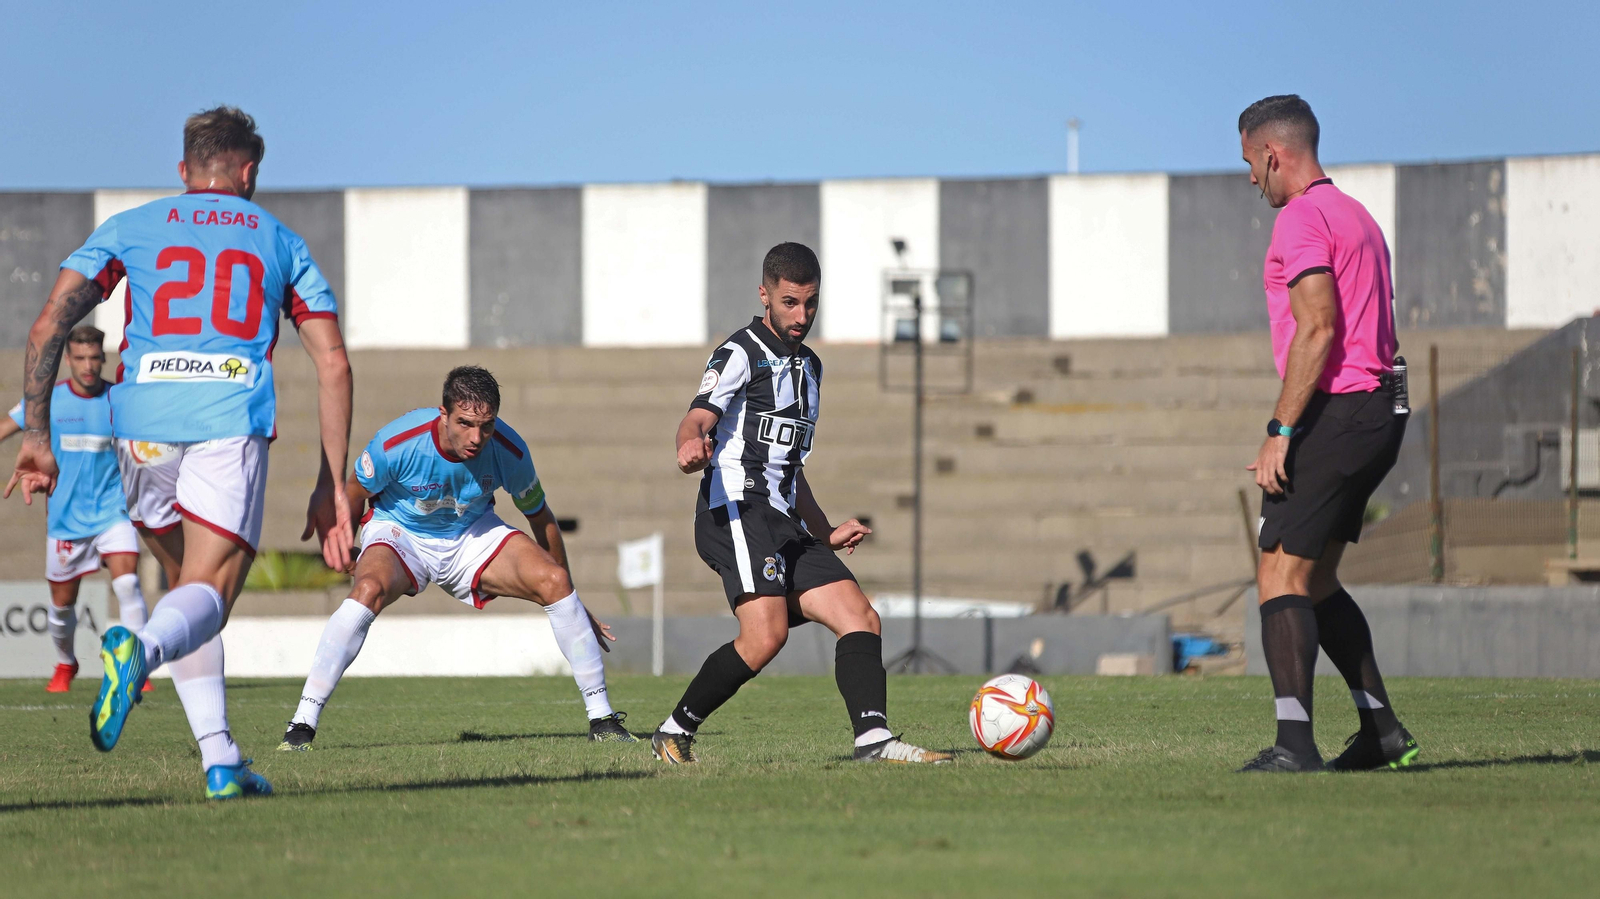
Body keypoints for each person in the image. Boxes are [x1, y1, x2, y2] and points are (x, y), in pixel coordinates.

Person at [8, 106, 353, 800]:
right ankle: (139, 651)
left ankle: (220, 758)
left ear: (183, 170)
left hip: (139, 425)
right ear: (249, 170)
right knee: (209, 592)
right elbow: (334, 364)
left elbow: (48, 325)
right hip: (226, 418)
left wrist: (37, 438)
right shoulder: (280, 240)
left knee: (188, 590)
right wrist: (331, 482)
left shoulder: (130, 227)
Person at [651, 242, 951, 765]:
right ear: (764, 295)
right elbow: (699, 415)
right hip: (735, 510)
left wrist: (825, 529)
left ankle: (873, 742)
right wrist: (688, 445)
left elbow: (792, 466)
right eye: (790, 302)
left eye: (811, 304)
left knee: (861, 617)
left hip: (784, 518)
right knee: (765, 636)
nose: (802, 316)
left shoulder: (811, 366)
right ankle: (674, 731)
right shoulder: (739, 351)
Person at [278, 365, 633, 750]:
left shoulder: (509, 451)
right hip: (401, 533)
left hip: (470, 533)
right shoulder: (397, 442)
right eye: (465, 423)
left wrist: (572, 603)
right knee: (367, 589)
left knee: (556, 583)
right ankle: (302, 724)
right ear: (443, 414)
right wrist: (345, 543)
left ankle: (603, 720)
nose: (476, 437)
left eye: (487, 425)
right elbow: (352, 490)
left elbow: (541, 517)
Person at [1236, 95, 1419, 773]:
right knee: (1313, 581)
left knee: (1278, 570)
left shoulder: (1302, 219)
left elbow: (1318, 327)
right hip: (1380, 408)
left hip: (1338, 409)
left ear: (1272, 153)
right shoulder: (1355, 214)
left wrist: (1280, 429)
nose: (1251, 178)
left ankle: (1294, 745)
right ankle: (1383, 732)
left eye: (1250, 163)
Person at [0, 325, 149, 693]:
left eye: (94, 358)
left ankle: (136, 665)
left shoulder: (119, 400)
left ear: (103, 358)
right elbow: (6, 426)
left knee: (128, 582)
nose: (87, 365)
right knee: (62, 607)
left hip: (114, 512)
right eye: (79, 358)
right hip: (66, 520)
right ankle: (66, 663)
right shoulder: (46, 400)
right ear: (68, 360)